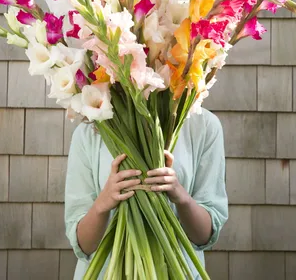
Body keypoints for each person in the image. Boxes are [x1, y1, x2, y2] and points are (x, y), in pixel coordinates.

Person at [65, 108, 228, 279]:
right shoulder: (89, 130)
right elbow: (84, 244)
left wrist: (182, 197)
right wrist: (102, 204)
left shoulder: (204, 126)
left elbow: (204, 236)